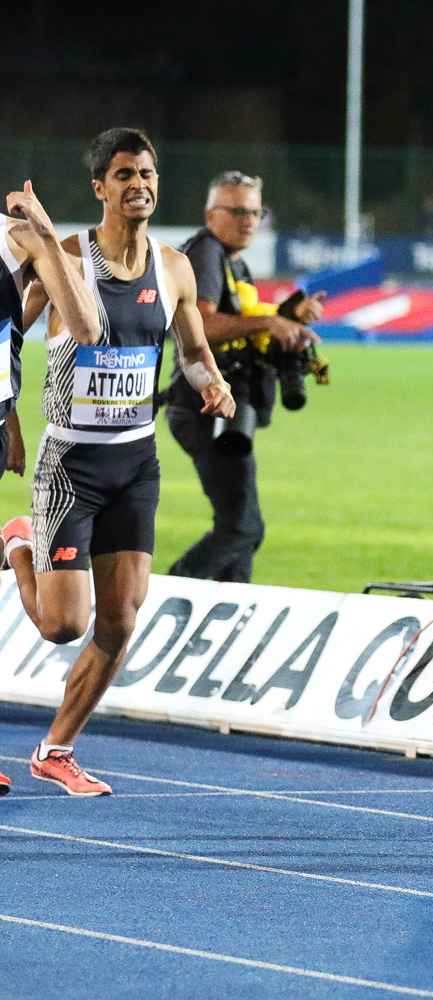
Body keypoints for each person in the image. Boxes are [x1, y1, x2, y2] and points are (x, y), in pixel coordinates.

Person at [3, 128, 234, 796]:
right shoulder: (64, 257)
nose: (139, 185)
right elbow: (8, 332)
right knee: (62, 625)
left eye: (148, 174)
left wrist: (213, 383)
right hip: (70, 464)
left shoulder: (175, 269)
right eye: (125, 174)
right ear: (100, 188)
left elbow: (193, 352)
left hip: (135, 463)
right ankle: (19, 543)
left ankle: (56, 749)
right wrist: (9, 418)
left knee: (121, 618)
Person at [165, 171, 322, 582]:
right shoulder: (207, 253)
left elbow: (239, 325)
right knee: (242, 528)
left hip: (219, 408)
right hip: (205, 406)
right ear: (210, 215)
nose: (248, 221)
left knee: (241, 530)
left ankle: (231, 610)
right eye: (236, 211)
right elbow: (199, 325)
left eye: (255, 212)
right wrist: (269, 322)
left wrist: (286, 317)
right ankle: (165, 595)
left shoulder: (232, 260)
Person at [0, 179, 103, 796]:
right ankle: (17, 546)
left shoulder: (14, 240)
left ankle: (17, 545)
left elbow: (84, 325)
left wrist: (42, 234)